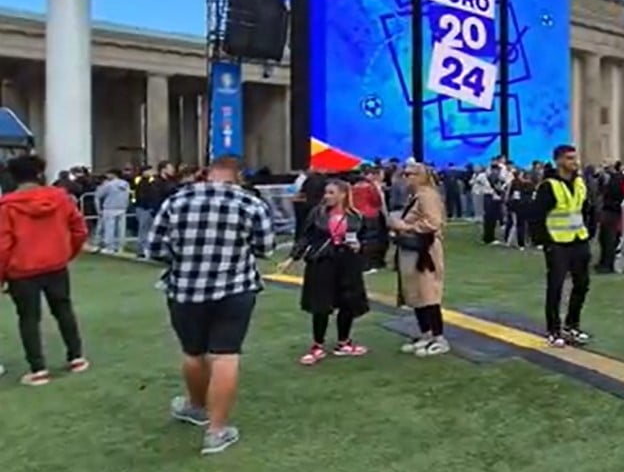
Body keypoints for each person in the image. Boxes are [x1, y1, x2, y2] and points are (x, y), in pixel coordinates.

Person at [147, 155, 275, 454]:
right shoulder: (250, 204)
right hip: (235, 290)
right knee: (225, 356)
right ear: (238, 177)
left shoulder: (176, 201)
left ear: (207, 174)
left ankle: (196, 406)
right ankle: (217, 432)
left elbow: (153, 248)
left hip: (185, 290)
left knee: (193, 353)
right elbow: (266, 248)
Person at [0, 155, 90, 387]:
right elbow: (79, 229)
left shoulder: (7, 207)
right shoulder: (60, 198)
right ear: (40, 174)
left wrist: (2, 275)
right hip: (55, 265)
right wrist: (66, 253)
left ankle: (38, 369)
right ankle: (76, 357)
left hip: (22, 271)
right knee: (64, 310)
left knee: (29, 319)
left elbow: (3, 245)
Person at [279, 179, 370, 365]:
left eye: (331, 193)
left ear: (343, 195)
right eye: (326, 192)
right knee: (320, 304)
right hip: (322, 262)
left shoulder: (356, 216)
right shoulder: (317, 213)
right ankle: (317, 345)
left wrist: (359, 246)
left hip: (348, 263)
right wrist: (292, 258)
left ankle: (344, 342)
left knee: (348, 301)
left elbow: (366, 238)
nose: (327, 196)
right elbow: (306, 237)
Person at [527, 144, 594, 348]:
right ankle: (553, 329)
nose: (574, 162)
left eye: (575, 158)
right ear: (558, 161)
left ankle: (572, 325)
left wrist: (589, 232)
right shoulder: (548, 186)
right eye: (569, 158)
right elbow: (536, 216)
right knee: (556, 286)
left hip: (579, 239)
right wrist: (544, 242)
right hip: (557, 242)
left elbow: (586, 209)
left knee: (582, 284)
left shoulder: (580, 182)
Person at [390, 164, 448, 357]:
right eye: (404, 174)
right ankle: (426, 334)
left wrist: (405, 226)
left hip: (425, 250)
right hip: (413, 249)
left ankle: (438, 337)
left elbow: (433, 222)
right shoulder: (416, 195)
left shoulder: (427, 196)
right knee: (416, 293)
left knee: (428, 292)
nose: (406, 178)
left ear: (421, 176)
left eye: (410, 174)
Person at [595, 162, 624, 273]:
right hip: (610, 210)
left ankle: (607, 264)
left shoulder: (616, 180)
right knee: (604, 238)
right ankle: (604, 262)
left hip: (611, 211)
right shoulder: (614, 179)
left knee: (608, 238)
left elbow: (613, 194)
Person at [94, 169, 131, 253]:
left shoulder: (109, 184)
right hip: (122, 208)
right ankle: (120, 247)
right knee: (120, 229)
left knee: (109, 229)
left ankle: (109, 247)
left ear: (113, 174)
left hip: (109, 208)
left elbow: (99, 195)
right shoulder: (126, 184)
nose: (107, 176)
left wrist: (98, 209)